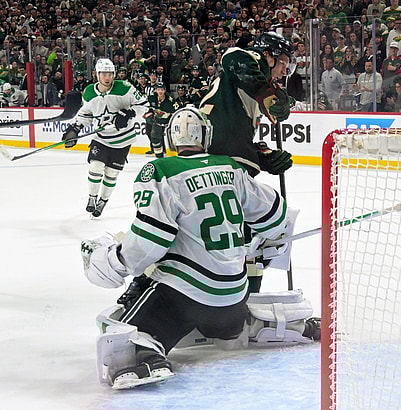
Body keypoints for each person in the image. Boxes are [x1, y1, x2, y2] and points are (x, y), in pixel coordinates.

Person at [81, 107, 317, 389]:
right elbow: (277, 218)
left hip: (185, 299)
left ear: (171, 138)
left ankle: (145, 354)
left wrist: (114, 260)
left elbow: (150, 240)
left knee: (130, 327)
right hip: (234, 297)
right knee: (230, 318)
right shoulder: (230, 167)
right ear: (206, 135)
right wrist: (256, 245)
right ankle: (275, 324)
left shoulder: (161, 171)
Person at [199, 32, 294, 178]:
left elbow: (234, 137)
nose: (284, 72)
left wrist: (260, 156)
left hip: (218, 155)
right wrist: (266, 92)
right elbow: (233, 57)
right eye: (283, 63)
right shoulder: (252, 59)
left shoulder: (253, 89)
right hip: (215, 159)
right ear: (267, 55)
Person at [62, 58, 147, 218]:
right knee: (95, 167)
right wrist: (76, 128)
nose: (107, 77)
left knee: (111, 174)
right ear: (97, 74)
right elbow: (86, 114)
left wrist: (129, 113)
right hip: (101, 138)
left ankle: (103, 200)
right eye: (103, 74)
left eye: (110, 74)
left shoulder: (125, 88)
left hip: (123, 141)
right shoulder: (89, 92)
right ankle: (92, 197)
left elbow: (143, 105)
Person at [146, 82, 178, 158]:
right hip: (157, 122)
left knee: (173, 139)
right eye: (158, 89)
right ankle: (159, 155)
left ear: (165, 90)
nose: (160, 91)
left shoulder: (170, 100)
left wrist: (168, 116)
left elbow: (177, 112)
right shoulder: (151, 97)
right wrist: (150, 112)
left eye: (162, 89)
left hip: (169, 123)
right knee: (154, 137)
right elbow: (148, 107)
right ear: (155, 90)